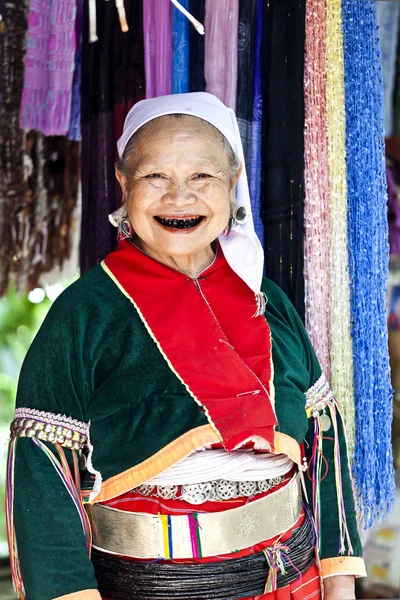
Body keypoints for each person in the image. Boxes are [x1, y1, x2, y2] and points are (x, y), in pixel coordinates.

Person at [6, 92, 366, 600]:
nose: (179, 198)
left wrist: (339, 584)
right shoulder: (83, 315)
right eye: (156, 177)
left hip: (294, 583)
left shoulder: (268, 300)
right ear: (123, 183)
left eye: (202, 177)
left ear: (233, 183)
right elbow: (42, 475)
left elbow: (324, 441)